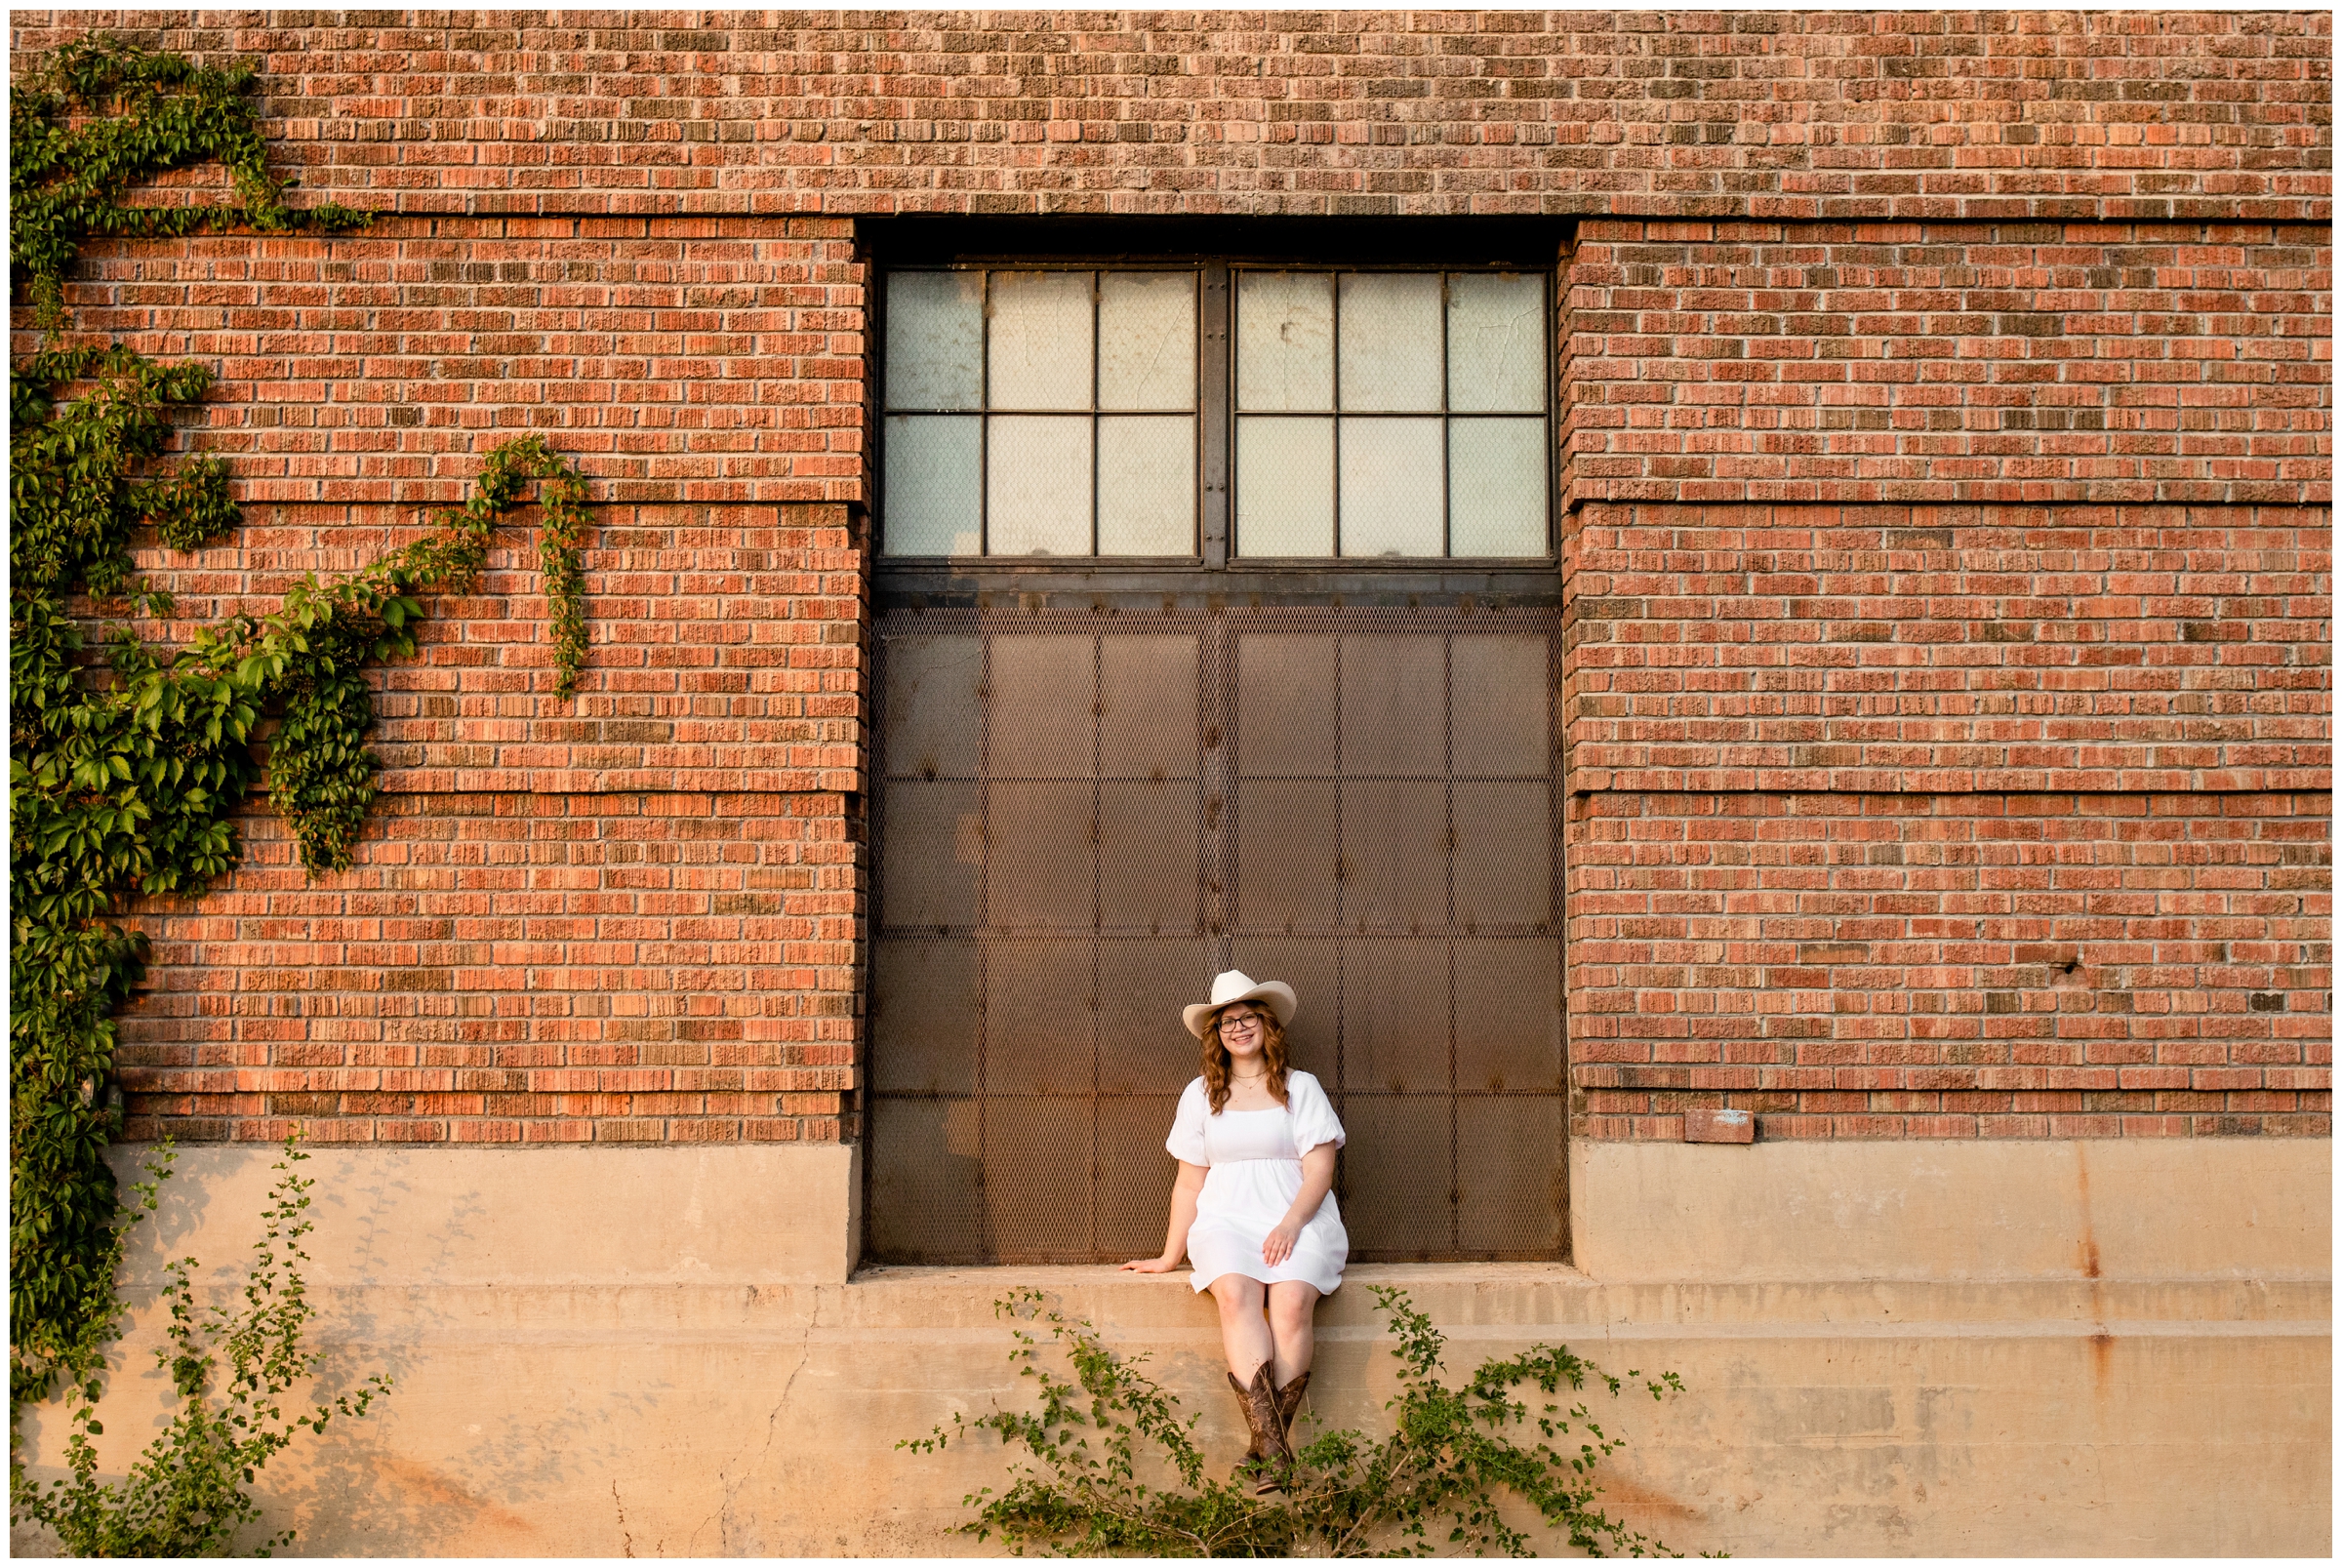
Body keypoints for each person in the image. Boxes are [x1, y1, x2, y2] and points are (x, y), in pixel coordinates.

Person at [1121, 968, 1349, 1494]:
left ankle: (1267, 1448)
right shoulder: (1201, 1094)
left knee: (1291, 1303)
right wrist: (1168, 1255)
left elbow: (1319, 1170)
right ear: (1216, 1035)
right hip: (1226, 1216)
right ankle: (1276, 1450)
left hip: (1298, 1215)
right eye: (1226, 1022)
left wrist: (1291, 1224)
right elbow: (1188, 1183)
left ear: (1266, 1025)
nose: (1237, 1028)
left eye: (1246, 1017)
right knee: (1235, 1295)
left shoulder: (1300, 1087)